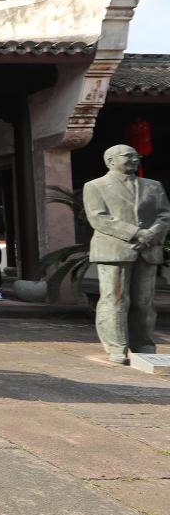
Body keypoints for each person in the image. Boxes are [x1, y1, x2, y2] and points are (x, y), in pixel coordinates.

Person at [83, 144, 170, 365]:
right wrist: (135, 233)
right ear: (110, 161)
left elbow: (164, 215)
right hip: (114, 249)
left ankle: (144, 344)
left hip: (148, 249)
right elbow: (98, 217)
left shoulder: (153, 186)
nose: (134, 159)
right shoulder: (95, 186)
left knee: (144, 301)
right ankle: (116, 347)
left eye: (136, 156)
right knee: (115, 299)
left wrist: (151, 234)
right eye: (127, 156)